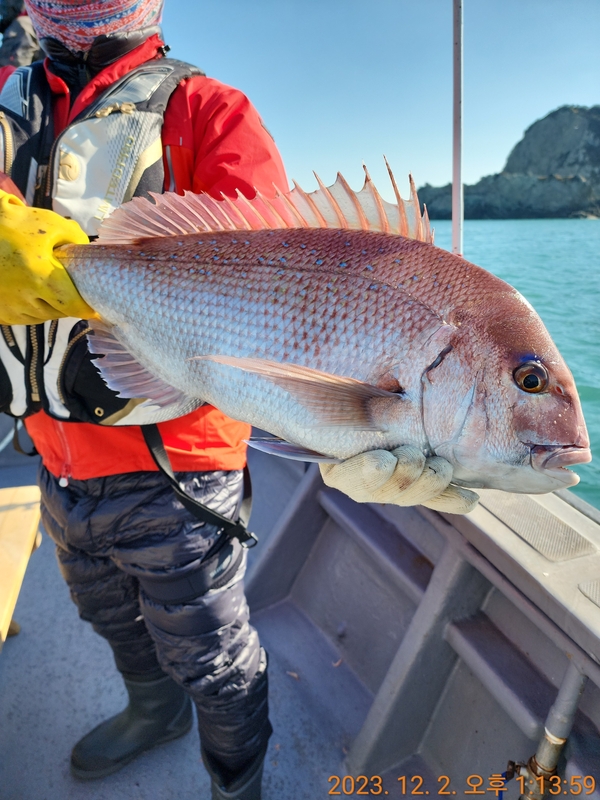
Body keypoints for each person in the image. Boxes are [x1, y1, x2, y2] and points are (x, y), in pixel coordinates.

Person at [0, 2, 477, 797]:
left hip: (176, 468)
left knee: (210, 650)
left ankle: (236, 781)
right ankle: (153, 711)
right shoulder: (10, 99)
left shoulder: (209, 109)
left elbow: (285, 288)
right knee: (103, 610)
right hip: (52, 447)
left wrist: (341, 431)